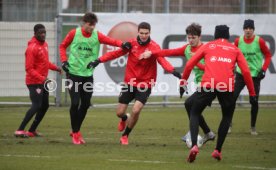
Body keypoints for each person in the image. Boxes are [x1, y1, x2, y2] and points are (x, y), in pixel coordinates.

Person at [87, 22, 181, 145]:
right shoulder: (131, 44)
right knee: (119, 113)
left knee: (136, 110)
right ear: (138, 32)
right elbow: (115, 53)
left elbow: (162, 60)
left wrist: (172, 71)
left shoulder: (154, 47)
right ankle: (124, 118)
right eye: (141, 33)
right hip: (130, 82)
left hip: (146, 84)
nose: (143, 35)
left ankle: (125, 135)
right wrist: (98, 60)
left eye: (146, 33)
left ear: (150, 33)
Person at [180, 25, 257, 162]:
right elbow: (245, 72)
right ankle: (217, 150)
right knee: (227, 116)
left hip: (208, 85)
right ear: (228, 36)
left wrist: (183, 82)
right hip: (226, 86)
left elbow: (190, 64)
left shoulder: (208, 46)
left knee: (194, 111)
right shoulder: (235, 49)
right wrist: (252, 93)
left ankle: (194, 146)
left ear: (215, 35)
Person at [59, 12, 131, 145]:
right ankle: (75, 133)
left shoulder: (96, 35)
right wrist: (64, 61)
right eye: (89, 25)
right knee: (75, 103)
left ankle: (76, 129)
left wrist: (122, 44)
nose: (91, 27)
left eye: (93, 25)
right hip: (73, 74)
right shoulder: (74, 33)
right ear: (83, 23)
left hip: (87, 75)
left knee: (86, 104)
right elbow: (62, 46)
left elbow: (111, 41)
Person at [139, 23, 215, 145]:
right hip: (201, 86)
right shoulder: (187, 49)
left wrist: (194, 62)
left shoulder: (206, 50)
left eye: (193, 38)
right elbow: (168, 52)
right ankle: (207, 133)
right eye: (189, 37)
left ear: (199, 37)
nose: (190, 40)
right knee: (191, 106)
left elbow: (210, 69)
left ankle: (195, 135)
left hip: (212, 84)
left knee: (191, 105)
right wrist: (152, 53)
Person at [14, 24, 61, 138]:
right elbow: (29, 69)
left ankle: (31, 130)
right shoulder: (32, 48)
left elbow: (44, 63)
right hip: (34, 82)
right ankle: (20, 130)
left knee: (45, 105)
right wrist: (42, 78)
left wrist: (56, 68)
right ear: (35, 33)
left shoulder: (45, 45)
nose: (43, 34)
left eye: (44, 32)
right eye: (41, 32)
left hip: (42, 81)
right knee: (36, 105)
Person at [230, 19, 272, 135]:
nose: (248, 30)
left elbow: (268, 56)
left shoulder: (260, 41)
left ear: (253, 30)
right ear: (243, 29)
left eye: (250, 28)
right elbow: (233, 56)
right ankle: (228, 124)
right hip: (241, 74)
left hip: (254, 75)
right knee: (232, 98)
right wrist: (231, 68)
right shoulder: (238, 41)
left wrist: (263, 70)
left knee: (254, 101)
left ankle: (253, 127)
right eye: (246, 28)